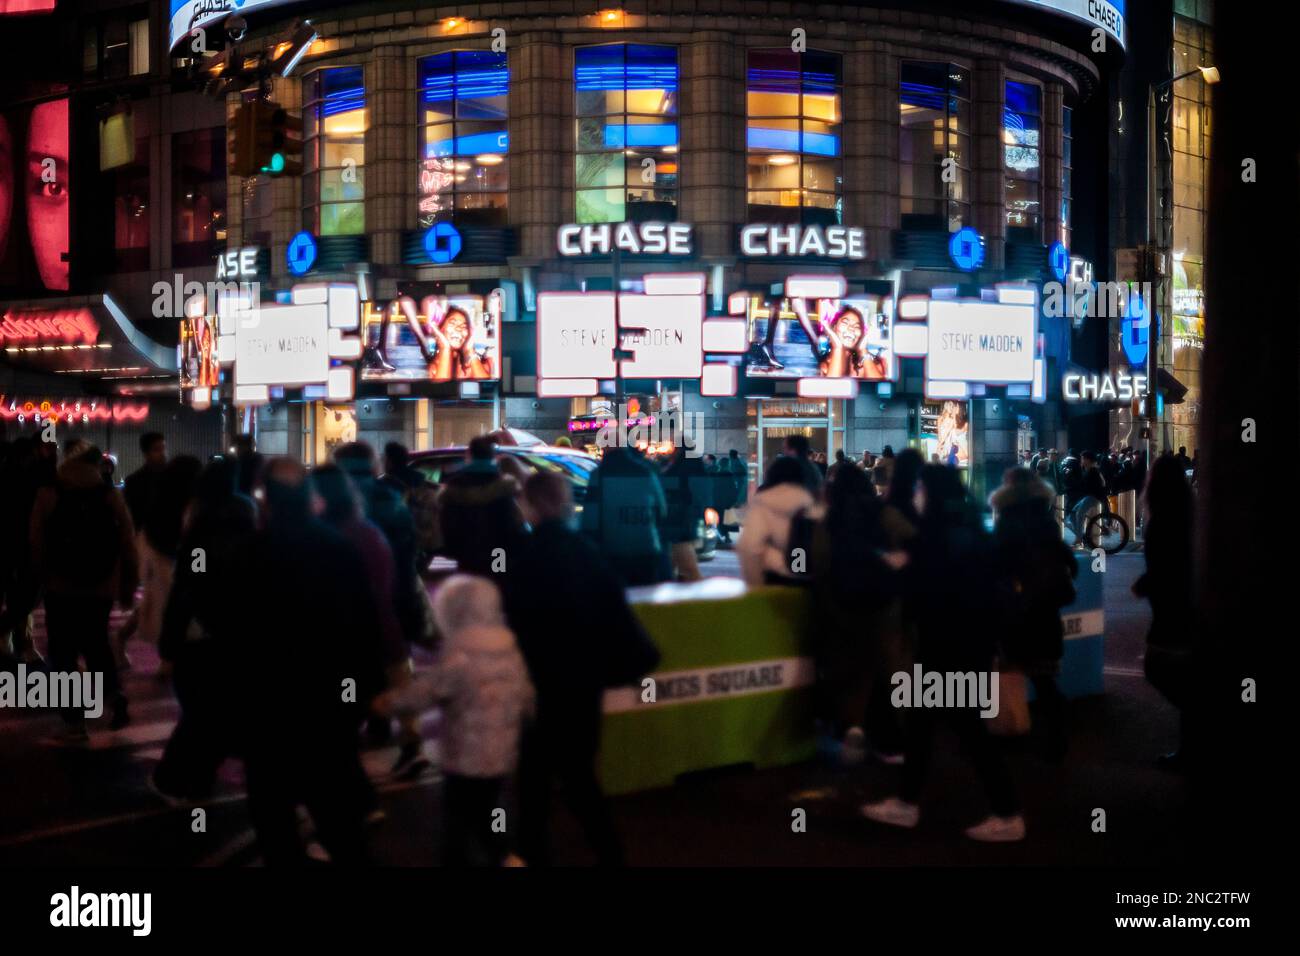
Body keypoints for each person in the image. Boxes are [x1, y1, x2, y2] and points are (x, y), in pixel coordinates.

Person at [861, 465, 1024, 842]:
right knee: (926, 723)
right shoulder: (969, 525)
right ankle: (907, 802)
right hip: (968, 642)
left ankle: (1007, 812)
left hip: (948, 643)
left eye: (920, 487)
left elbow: (928, 586)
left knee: (966, 729)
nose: (916, 494)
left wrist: (898, 568)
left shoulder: (937, 533)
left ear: (929, 491)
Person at [234, 458, 383, 865]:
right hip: (328, 705)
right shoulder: (338, 549)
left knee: (274, 821)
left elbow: (233, 633)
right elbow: (366, 628)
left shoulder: (250, 552)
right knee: (340, 820)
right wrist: (363, 693)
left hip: (269, 707)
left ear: (266, 498)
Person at [506, 472, 659, 866]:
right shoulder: (587, 552)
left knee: (535, 779)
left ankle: (532, 851)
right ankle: (608, 852)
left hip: (540, 683)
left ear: (532, 505)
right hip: (583, 683)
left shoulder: (524, 555)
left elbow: (514, 622)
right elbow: (615, 612)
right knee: (578, 776)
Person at [375, 575, 532, 866]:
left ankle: (495, 855)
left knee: (458, 821)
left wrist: (388, 703)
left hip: (466, 758)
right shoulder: (509, 650)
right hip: (501, 754)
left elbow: (427, 691)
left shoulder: (459, 655)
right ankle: (502, 855)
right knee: (484, 809)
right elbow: (526, 696)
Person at [154, 458, 257, 801]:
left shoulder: (201, 530)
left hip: (204, 635)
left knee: (200, 712)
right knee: (221, 709)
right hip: (241, 632)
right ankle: (200, 779)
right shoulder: (249, 521)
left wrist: (169, 644)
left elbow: (187, 590)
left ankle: (177, 779)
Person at [29, 445, 138, 737]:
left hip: (59, 584)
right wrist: (128, 581)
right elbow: (127, 540)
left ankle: (75, 720)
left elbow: (36, 541)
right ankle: (115, 698)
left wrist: (41, 577)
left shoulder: (48, 493)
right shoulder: (109, 494)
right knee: (96, 643)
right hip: (101, 584)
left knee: (62, 649)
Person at [334, 441, 428, 769]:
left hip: (346, 610)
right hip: (394, 600)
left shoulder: (332, 503)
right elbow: (409, 556)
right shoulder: (390, 498)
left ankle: (356, 735)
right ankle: (410, 739)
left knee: (349, 674)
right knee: (396, 670)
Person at [807, 462, 906, 763]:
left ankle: (854, 731)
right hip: (884, 603)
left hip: (842, 603)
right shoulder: (884, 512)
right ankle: (893, 741)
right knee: (891, 669)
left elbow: (817, 562)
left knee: (852, 670)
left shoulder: (828, 519)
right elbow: (913, 542)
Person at [990, 467, 1077, 760]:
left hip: (1016, 610)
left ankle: (1011, 729)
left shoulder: (1007, 521)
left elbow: (998, 563)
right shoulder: (1046, 520)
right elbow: (1065, 560)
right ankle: (1057, 738)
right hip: (1044, 610)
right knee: (1044, 678)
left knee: (1010, 669)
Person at [1133, 455, 1195, 769]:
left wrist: (1145, 583)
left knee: (1159, 667)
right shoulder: (1189, 512)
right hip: (1185, 603)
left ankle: (1195, 736)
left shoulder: (1161, 520)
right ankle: (1190, 744)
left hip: (1170, 606)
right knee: (1180, 670)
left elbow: (1164, 564)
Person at [135, 456, 202, 649]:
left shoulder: (158, 506)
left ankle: (168, 659)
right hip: (187, 575)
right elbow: (198, 549)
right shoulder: (195, 508)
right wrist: (201, 570)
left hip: (162, 572)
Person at [435, 435, 525, 578]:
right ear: (493, 456)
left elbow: (445, 530)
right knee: (498, 588)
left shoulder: (453, 488)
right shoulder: (506, 487)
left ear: (469, 455)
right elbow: (516, 528)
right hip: (499, 556)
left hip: (465, 559)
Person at [580, 446, 670, 586]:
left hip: (611, 551)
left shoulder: (598, 474)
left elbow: (590, 517)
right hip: (646, 548)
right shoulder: (645, 471)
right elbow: (662, 509)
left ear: (606, 450)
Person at [736, 456, 816, 588]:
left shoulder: (763, 505)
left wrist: (756, 585)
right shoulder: (812, 504)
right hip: (810, 584)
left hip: (776, 582)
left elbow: (750, 547)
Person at [659, 446, 706, 582]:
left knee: (682, 554)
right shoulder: (694, 463)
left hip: (678, 516)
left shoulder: (680, 466)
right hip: (686, 515)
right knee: (676, 555)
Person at [123, 432, 167, 534]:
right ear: (146, 454)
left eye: (163, 448)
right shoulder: (134, 482)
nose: (163, 453)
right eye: (157, 450)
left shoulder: (173, 477)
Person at [1066, 450, 1109, 538]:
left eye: (1082, 459)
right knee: (1072, 514)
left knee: (1079, 514)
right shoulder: (1088, 470)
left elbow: (1086, 485)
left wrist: (1071, 478)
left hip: (1093, 497)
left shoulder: (1093, 471)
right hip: (1088, 496)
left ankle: (1079, 538)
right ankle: (1080, 535)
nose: (1081, 460)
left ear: (1088, 460)